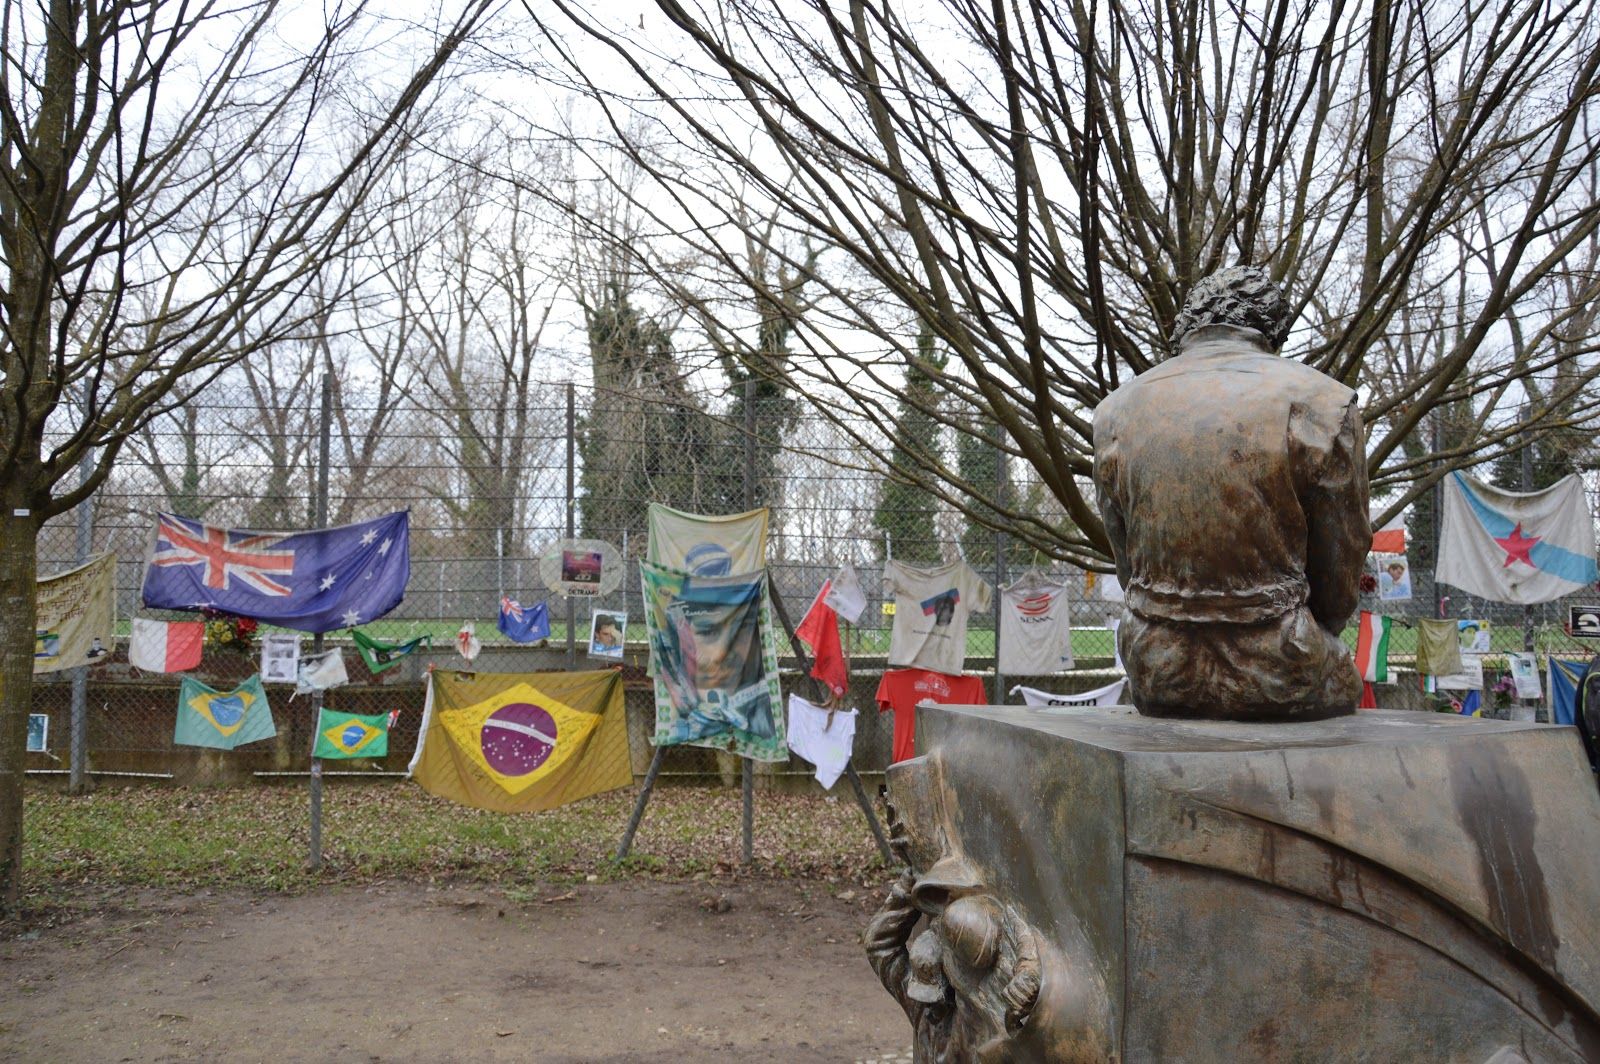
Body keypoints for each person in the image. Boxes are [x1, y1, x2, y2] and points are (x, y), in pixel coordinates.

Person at [1092, 266, 1369, 720]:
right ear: (1273, 328)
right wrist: (1308, 627)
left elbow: (1126, 560)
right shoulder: (1326, 404)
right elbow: (1342, 565)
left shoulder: (1113, 412)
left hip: (1155, 662)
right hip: (1284, 663)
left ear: (1189, 323)